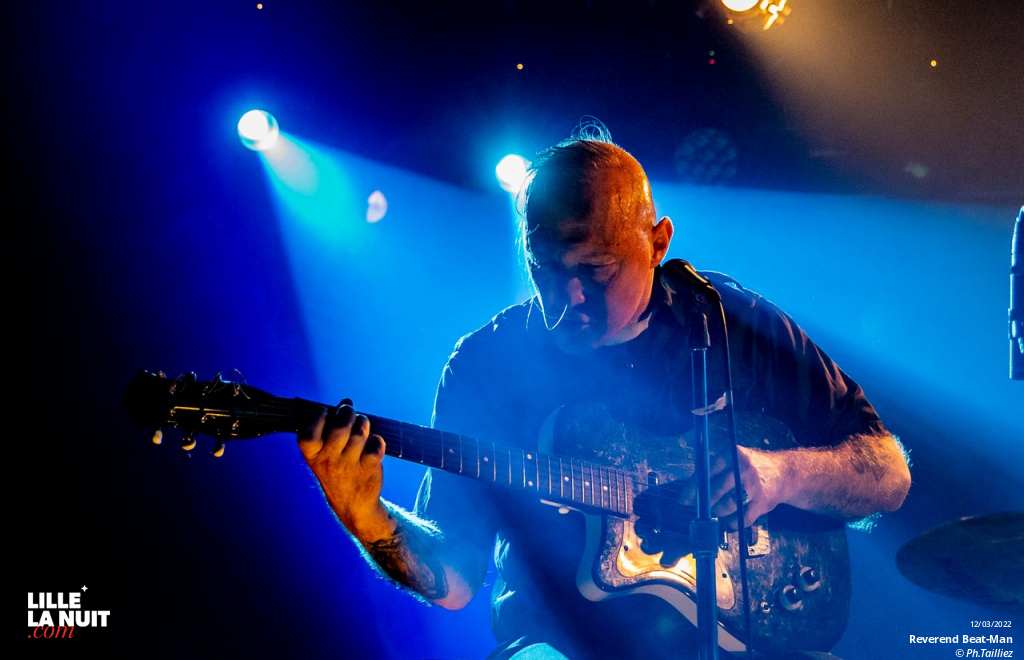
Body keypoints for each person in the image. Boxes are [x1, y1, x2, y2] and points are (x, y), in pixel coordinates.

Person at [298, 129, 911, 660]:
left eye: (596, 269)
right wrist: (366, 518)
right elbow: (455, 577)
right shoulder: (486, 368)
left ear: (658, 242)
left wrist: (782, 476)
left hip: (761, 637)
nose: (569, 299)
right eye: (545, 268)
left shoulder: (728, 321)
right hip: (564, 644)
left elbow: (889, 474)